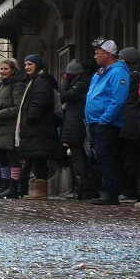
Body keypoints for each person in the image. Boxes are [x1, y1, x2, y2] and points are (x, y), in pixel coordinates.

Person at [85, 38, 131, 205]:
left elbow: (118, 99)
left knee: (105, 155)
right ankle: (106, 190)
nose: (95, 57)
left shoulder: (118, 72)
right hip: (96, 121)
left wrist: (105, 119)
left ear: (107, 54)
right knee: (101, 156)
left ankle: (110, 192)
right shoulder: (102, 72)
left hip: (105, 122)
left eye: (98, 54)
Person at [16, 54, 60, 200]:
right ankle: (34, 189)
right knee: (34, 158)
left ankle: (40, 191)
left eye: (30, 64)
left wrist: (30, 118)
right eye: (26, 64)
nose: (27, 67)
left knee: (38, 157)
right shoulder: (35, 81)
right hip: (37, 127)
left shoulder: (40, 81)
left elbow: (39, 101)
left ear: (38, 65)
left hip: (39, 127)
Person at [0, 58, 26, 199]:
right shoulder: (2, 86)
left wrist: (0, 114)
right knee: (1, 158)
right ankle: (4, 185)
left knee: (12, 158)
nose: (3, 71)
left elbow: (18, 108)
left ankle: (13, 187)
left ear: (13, 70)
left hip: (10, 128)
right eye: (1, 68)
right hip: (0, 129)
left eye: (6, 69)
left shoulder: (17, 85)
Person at [59, 58, 92, 199]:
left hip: (77, 122)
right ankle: (79, 186)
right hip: (75, 121)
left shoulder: (81, 83)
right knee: (77, 155)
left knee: (78, 155)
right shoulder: (82, 82)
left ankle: (80, 188)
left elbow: (65, 95)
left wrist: (66, 80)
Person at [115, 47, 140, 203]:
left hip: (129, 121)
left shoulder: (131, 77)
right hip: (130, 120)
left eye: (122, 59)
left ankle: (130, 191)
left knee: (129, 158)